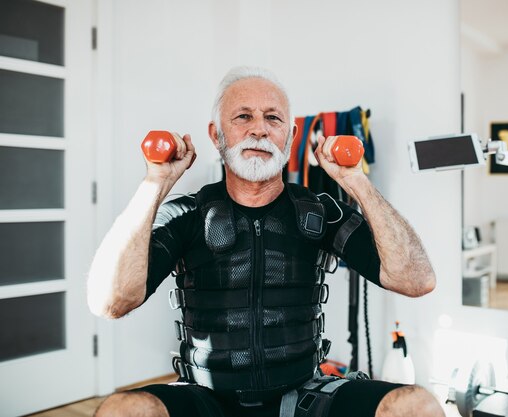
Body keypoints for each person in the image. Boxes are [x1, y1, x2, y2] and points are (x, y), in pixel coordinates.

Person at [87, 66, 444, 417]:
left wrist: (357, 182)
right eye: (243, 116)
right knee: (125, 410)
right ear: (216, 134)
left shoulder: (320, 211)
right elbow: (111, 301)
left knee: (416, 407)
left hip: (304, 396)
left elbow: (416, 280)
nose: (259, 129)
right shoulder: (186, 215)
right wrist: (156, 184)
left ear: (289, 136)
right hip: (206, 399)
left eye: (273, 119)